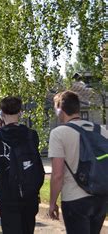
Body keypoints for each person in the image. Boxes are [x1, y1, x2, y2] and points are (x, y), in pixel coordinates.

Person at [48, 90, 108, 234]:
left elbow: (57, 175)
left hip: (74, 200)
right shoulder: (102, 130)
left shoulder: (58, 133)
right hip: (100, 197)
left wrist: (52, 203)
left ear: (60, 110)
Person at [0, 97, 44, 234]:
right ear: (20, 112)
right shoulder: (31, 135)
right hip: (29, 191)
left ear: (1, 113)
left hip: (7, 192)